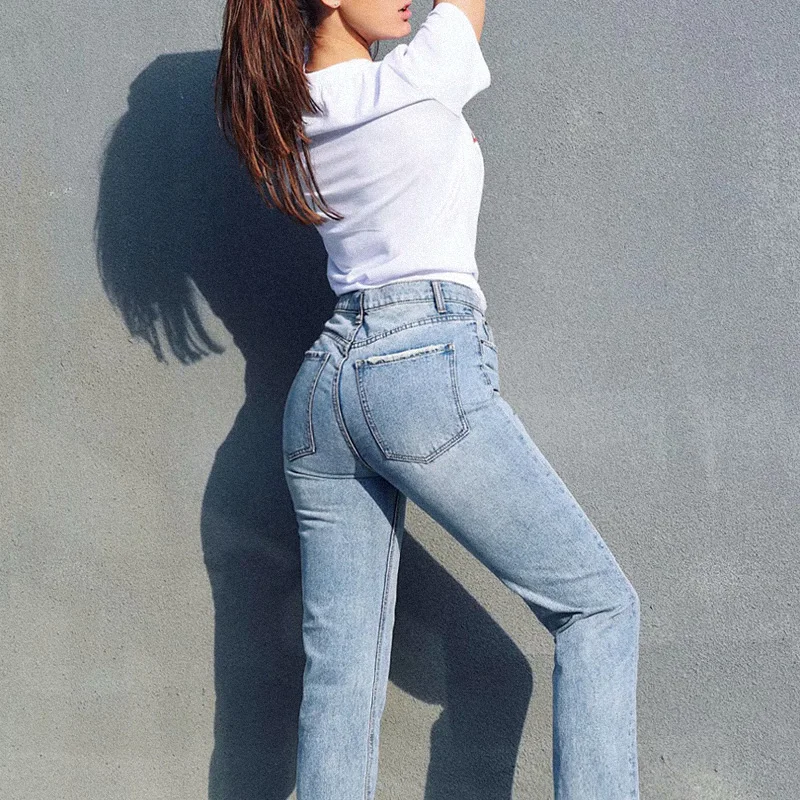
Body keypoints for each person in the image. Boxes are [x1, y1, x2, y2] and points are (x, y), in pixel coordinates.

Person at [214, 1, 641, 798]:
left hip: (323, 395)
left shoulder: (285, 122)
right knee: (598, 610)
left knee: (341, 680)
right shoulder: (411, 83)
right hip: (420, 364)